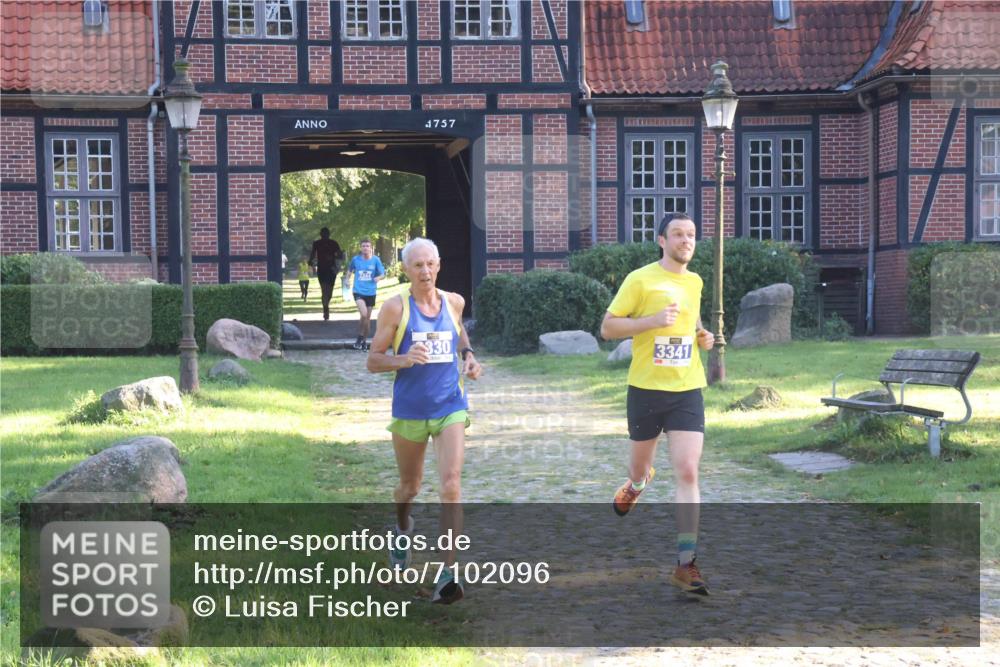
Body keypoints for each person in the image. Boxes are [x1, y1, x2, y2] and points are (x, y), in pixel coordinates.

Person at [600, 212, 716, 596]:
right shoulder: (640, 279)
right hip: (646, 389)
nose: (687, 240)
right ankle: (637, 483)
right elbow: (609, 327)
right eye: (679, 234)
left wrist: (701, 334)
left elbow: (691, 317)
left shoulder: (696, 281)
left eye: (692, 234)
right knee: (641, 467)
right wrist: (650, 321)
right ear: (661, 241)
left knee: (687, 470)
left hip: (686, 388)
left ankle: (686, 563)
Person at [366, 237, 482, 605]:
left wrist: (469, 356)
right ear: (405, 270)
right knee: (409, 488)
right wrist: (403, 359)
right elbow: (373, 360)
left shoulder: (453, 302)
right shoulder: (394, 309)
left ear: (439, 265)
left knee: (451, 485)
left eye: (430, 264)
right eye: (417, 265)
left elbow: (459, 331)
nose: (425, 271)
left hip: (451, 404)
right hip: (411, 409)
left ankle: (447, 574)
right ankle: (402, 529)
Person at [343, 238, 385, 350]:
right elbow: (350, 270)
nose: (365, 248)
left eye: (367, 246)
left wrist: (378, 278)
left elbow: (382, 273)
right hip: (358, 291)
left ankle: (363, 341)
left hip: (371, 292)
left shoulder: (376, 260)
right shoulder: (356, 260)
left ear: (371, 248)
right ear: (360, 248)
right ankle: (361, 338)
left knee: (366, 319)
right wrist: (347, 280)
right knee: (364, 313)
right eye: (363, 246)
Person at [308, 228, 344, 320]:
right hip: (323, 269)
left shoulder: (333, 243)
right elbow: (312, 254)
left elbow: (340, 255)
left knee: (328, 291)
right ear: (321, 234)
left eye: (326, 233)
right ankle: (325, 308)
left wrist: (337, 257)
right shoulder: (317, 243)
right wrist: (311, 262)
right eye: (324, 234)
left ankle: (326, 304)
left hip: (331, 269)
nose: (325, 235)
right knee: (325, 289)